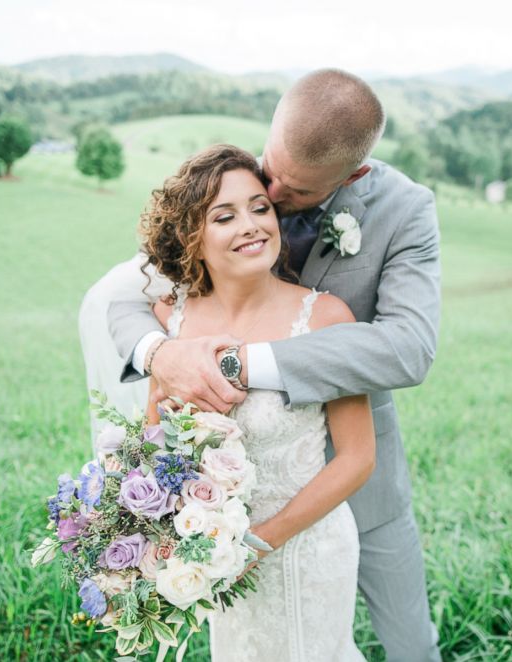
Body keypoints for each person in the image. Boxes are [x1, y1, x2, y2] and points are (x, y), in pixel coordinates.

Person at [100, 69, 442, 661]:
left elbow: (409, 348)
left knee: (410, 643)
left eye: (292, 193)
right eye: (269, 172)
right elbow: (134, 291)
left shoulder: (406, 211)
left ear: (352, 176)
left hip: (361, 475)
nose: (272, 198)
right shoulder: (238, 188)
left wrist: (239, 364)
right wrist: (164, 353)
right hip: (232, 505)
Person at [143, 144, 375, 659]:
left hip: (309, 549)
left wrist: (259, 542)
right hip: (213, 552)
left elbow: (358, 458)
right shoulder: (173, 321)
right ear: (192, 237)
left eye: (259, 208)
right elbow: (154, 442)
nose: (250, 225)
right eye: (225, 216)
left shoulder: (326, 319)